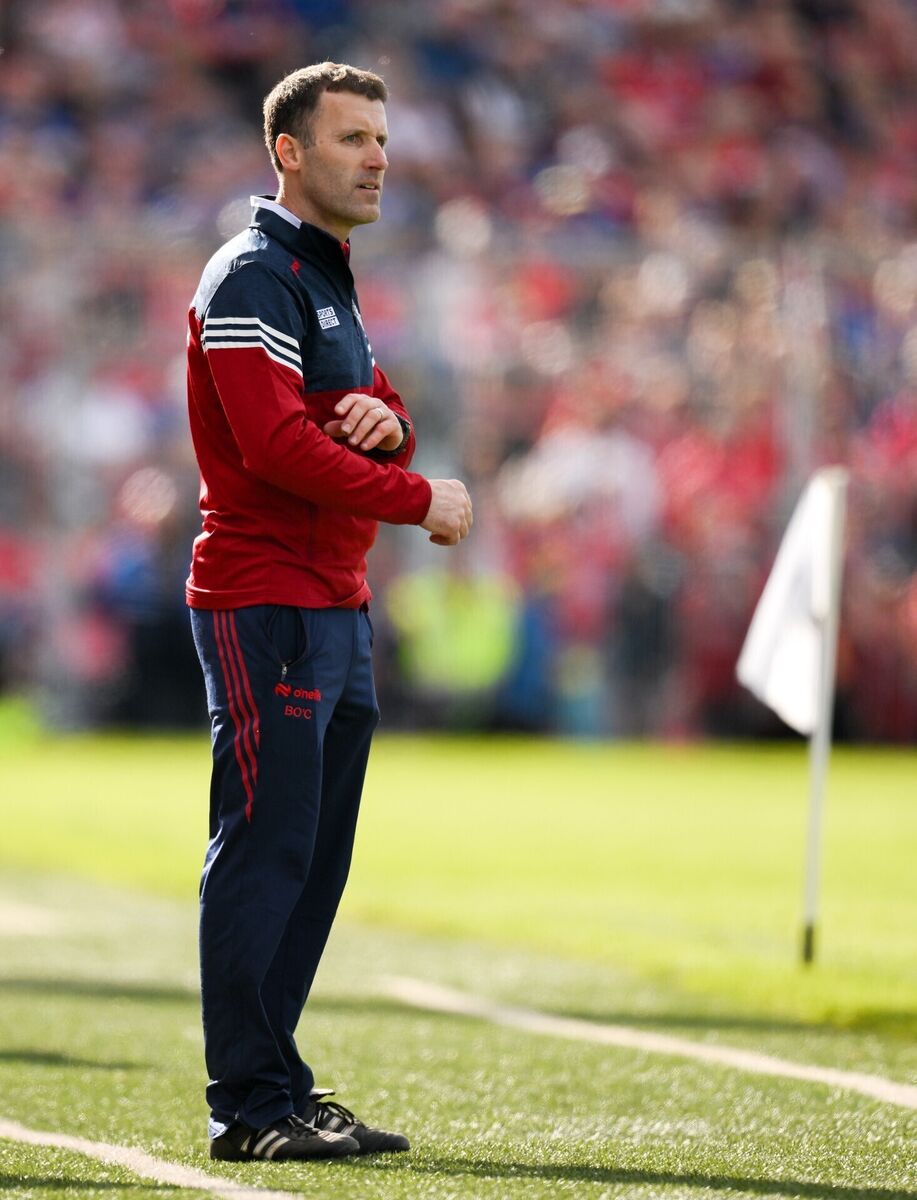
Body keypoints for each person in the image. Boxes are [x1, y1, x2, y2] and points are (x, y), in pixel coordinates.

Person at [184, 62, 472, 1164]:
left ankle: (277, 1083)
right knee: (265, 851)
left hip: (332, 604)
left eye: (382, 139)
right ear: (288, 154)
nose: (377, 158)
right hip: (266, 599)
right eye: (352, 138)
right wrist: (416, 497)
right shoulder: (254, 275)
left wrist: (389, 432)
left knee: (310, 857)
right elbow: (274, 445)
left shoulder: (322, 277)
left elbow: (374, 406)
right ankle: (248, 1106)